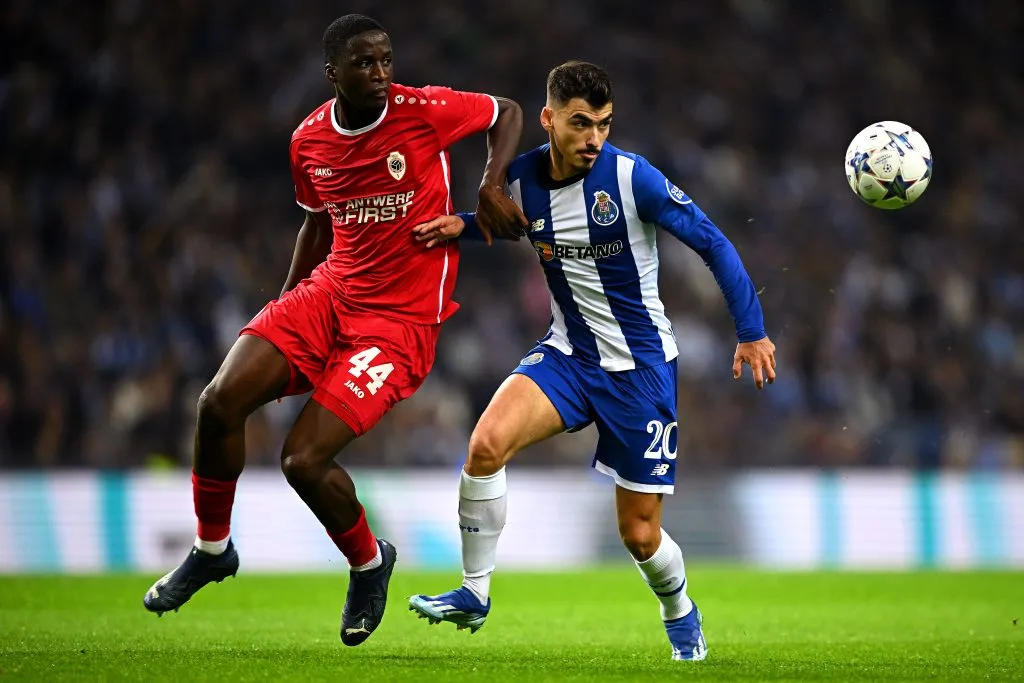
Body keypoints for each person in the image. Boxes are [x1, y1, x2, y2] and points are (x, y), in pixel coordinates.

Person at [142, 14, 528, 648]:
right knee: (218, 403)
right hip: (330, 295)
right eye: (364, 64)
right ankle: (212, 549)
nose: (380, 73)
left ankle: (370, 563)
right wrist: (287, 303)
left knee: (302, 460)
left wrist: (489, 182)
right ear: (333, 74)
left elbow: (507, 110)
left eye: (385, 60)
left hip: (399, 323)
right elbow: (317, 225)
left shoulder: (423, 110)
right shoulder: (308, 141)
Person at [407, 61, 776, 662]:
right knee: (484, 446)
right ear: (549, 119)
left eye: (603, 125)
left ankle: (680, 610)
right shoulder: (523, 178)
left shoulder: (634, 180)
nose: (593, 138)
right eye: (581, 124)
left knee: (639, 535)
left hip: (641, 372)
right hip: (568, 358)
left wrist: (751, 331)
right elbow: (512, 223)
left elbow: (712, 240)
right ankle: (475, 592)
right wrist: (464, 228)